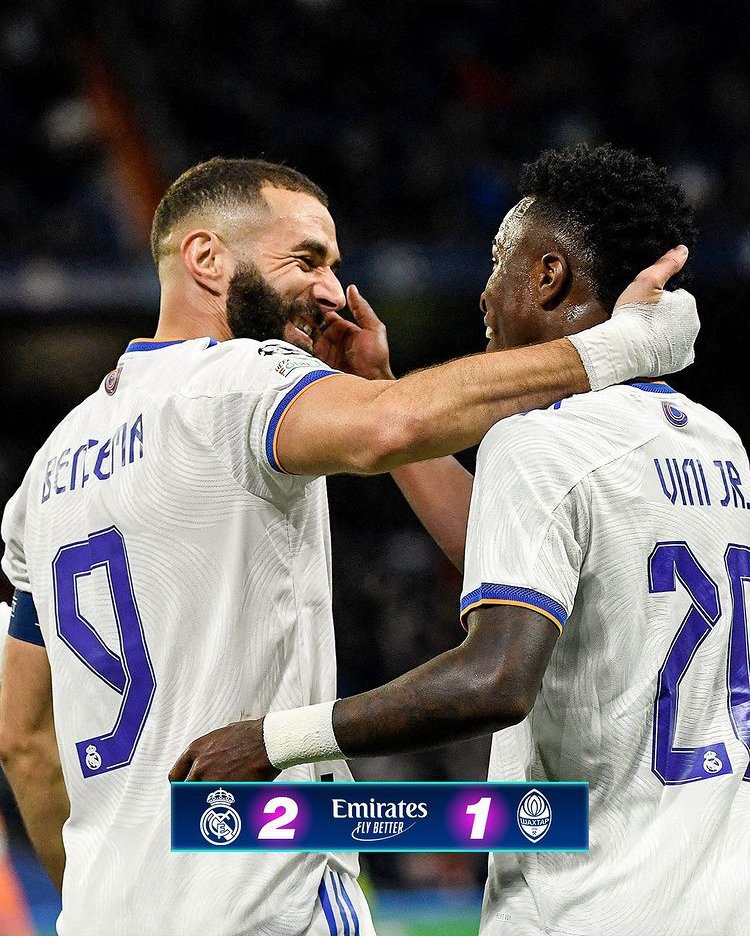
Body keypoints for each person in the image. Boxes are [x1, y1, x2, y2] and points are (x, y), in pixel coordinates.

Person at [0, 155, 696, 937]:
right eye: (307, 259)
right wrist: (618, 347)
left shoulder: (47, 472)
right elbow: (391, 424)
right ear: (205, 257)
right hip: (266, 902)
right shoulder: (243, 379)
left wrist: (95, 895)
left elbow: (23, 739)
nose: (333, 290)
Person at [173, 146, 749, 936]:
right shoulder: (718, 445)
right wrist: (377, 386)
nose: (485, 290)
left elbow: (495, 679)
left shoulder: (540, 439)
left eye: (499, 260)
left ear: (548, 275)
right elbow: (506, 553)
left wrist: (274, 740)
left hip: (594, 901)